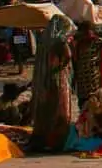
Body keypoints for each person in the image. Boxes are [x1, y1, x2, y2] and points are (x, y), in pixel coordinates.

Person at [29, 15, 74, 152]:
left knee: (45, 110)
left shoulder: (43, 40)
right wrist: (60, 69)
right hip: (58, 80)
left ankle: (42, 140)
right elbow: (68, 56)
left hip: (44, 80)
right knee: (59, 110)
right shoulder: (60, 41)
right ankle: (57, 142)